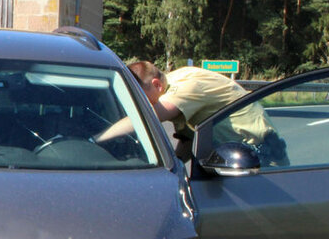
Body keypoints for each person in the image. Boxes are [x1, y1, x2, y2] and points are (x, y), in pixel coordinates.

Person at [117, 61, 287, 165]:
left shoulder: (185, 87)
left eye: (142, 99)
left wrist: (97, 138)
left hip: (261, 160)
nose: (143, 104)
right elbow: (189, 137)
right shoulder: (170, 85)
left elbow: (144, 118)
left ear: (157, 85)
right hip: (230, 157)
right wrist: (174, 166)